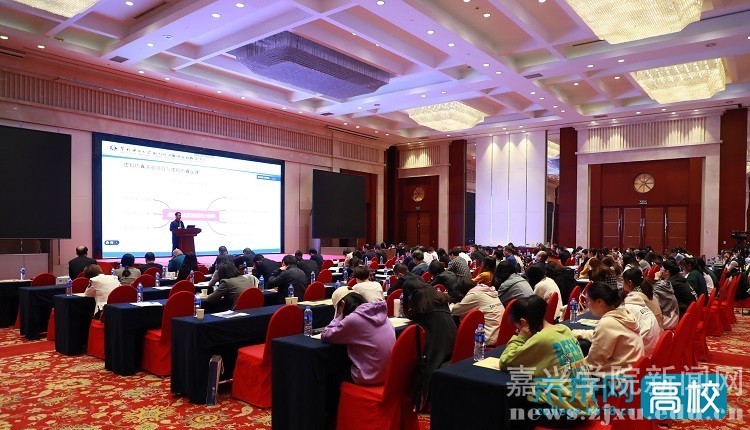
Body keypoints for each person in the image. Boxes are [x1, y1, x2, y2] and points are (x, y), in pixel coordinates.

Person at [498, 296, 594, 425]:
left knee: (512, 411)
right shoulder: (564, 329)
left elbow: (505, 362)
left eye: (517, 327)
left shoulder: (542, 338)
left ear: (523, 322)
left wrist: (521, 337)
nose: (518, 330)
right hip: (584, 404)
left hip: (566, 412)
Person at [402, 277, 457, 410]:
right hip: (452, 340)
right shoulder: (436, 294)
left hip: (438, 345)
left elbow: (414, 318)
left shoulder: (419, 298)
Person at [321, 293, 395, 385]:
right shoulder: (381, 314)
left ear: (342, 304)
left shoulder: (353, 319)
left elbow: (326, 335)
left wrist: (340, 315)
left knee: (332, 373)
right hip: (390, 374)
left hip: (369, 377)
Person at [573, 282, 644, 375]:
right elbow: (600, 336)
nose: (587, 305)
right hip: (631, 372)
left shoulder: (607, 323)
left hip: (617, 379)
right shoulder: (623, 314)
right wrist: (578, 333)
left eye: (588, 301)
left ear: (599, 302)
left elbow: (592, 363)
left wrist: (573, 366)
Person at [451, 277, 504, 346]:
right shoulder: (487, 290)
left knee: (455, 318)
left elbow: (456, 311)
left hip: (489, 338)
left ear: (462, 292)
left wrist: (451, 305)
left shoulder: (474, 295)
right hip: (501, 335)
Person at [620, 268, 662, 355]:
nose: (622, 283)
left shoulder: (634, 298)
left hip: (651, 340)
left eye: (623, 281)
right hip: (658, 333)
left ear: (629, 282)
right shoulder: (646, 291)